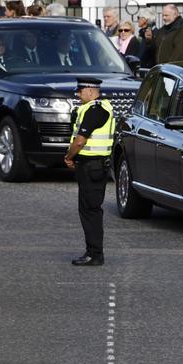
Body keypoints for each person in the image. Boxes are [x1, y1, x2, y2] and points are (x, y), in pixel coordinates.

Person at [64, 77, 115, 267]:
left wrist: (69, 157)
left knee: (90, 210)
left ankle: (94, 254)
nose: (78, 94)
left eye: (80, 90)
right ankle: (93, 252)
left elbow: (80, 140)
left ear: (91, 91)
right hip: (94, 165)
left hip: (92, 166)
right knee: (90, 209)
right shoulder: (98, 108)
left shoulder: (96, 110)